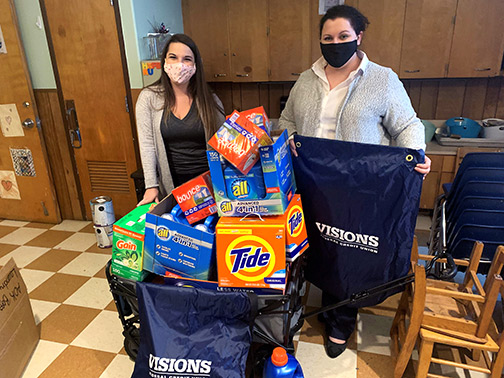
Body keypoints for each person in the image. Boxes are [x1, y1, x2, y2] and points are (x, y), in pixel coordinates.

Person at [278, 5, 431, 358]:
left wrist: (413, 157)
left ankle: (341, 322)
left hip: (357, 188)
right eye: (328, 38)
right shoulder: (306, 79)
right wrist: (286, 139)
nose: (335, 43)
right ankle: (303, 306)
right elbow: (286, 121)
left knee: (347, 251)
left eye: (343, 37)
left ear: (358, 37)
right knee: (310, 245)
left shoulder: (382, 79)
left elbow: (408, 126)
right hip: (312, 181)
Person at [135, 34, 225, 206]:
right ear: (164, 61)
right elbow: (147, 145)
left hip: (209, 188)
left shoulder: (210, 100)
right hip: (171, 189)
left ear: (195, 65)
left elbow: (223, 143)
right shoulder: (149, 98)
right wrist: (151, 185)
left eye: (187, 59)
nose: (180, 64)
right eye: (173, 57)